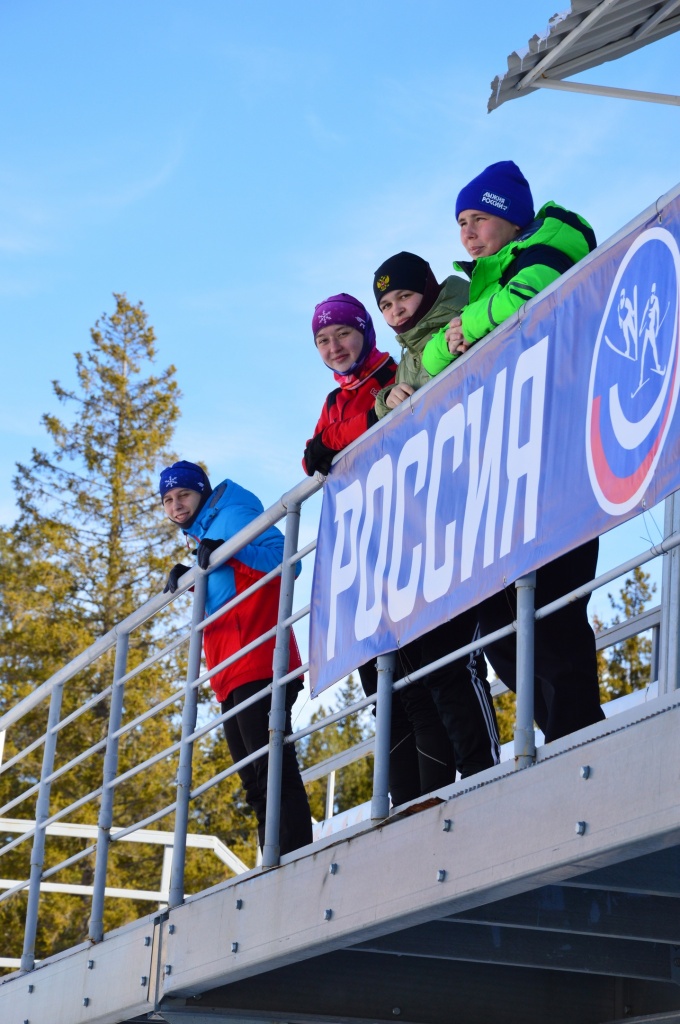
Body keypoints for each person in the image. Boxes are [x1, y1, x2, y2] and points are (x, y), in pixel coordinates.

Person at [421, 159, 605, 742]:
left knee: (554, 613)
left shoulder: (552, 238)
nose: (467, 234)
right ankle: (561, 739)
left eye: (477, 219)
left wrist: (471, 324)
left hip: (559, 455)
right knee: (501, 632)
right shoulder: (483, 283)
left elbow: (531, 293)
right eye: (460, 224)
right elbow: (431, 359)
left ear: (509, 215)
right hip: (503, 473)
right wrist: (466, 328)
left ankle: (581, 738)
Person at [304, 293, 457, 803]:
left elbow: (384, 417)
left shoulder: (390, 370)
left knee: (417, 684)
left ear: (365, 332)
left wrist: (334, 442)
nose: (334, 347)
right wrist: (331, 443)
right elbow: (312, 457)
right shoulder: (334, 399)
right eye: (323, 340)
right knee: (382, 693)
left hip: (406, 543)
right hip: (362, 561)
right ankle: (400, 805)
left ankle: (433, 798)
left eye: (343, 334)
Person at [372, 254, 501, 778]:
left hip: (479, 498)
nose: (397, 311)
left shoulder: (461, 314)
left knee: (475, 652)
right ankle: (466, 776)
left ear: (426, 290)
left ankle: (486, 772)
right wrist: (386, 401)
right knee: (435, 665)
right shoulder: (407, 355)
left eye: (404, 296)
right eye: (386, 305)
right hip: (432, 522)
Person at [160, 460, 313, 856]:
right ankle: (274, 859)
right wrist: (192, 577)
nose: (176, 505)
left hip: (258, 656)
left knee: (270, 767)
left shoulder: (233, 513)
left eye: (184, 495)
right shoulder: (205, 531)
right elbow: (229, 588)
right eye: (168, 500)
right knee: (254, 780)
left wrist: (228, 551)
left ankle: (293, 856)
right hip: (229, 668)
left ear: (202, 492)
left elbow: (287, 560)